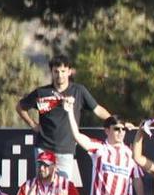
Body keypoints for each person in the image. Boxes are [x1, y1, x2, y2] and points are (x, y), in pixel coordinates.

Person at [17, 53, 113, 184]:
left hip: (66, 150)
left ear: (69, 71)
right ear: (51, 72)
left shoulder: (79, 91)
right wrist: (32, 124)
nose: (60, 75)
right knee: (43, 188)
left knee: (64, 189)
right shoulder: (42, 92)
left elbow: (98, 109)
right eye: (56, 71)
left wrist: (117, 122)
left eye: (63, 71)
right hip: (44, 148)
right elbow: (20, 107)